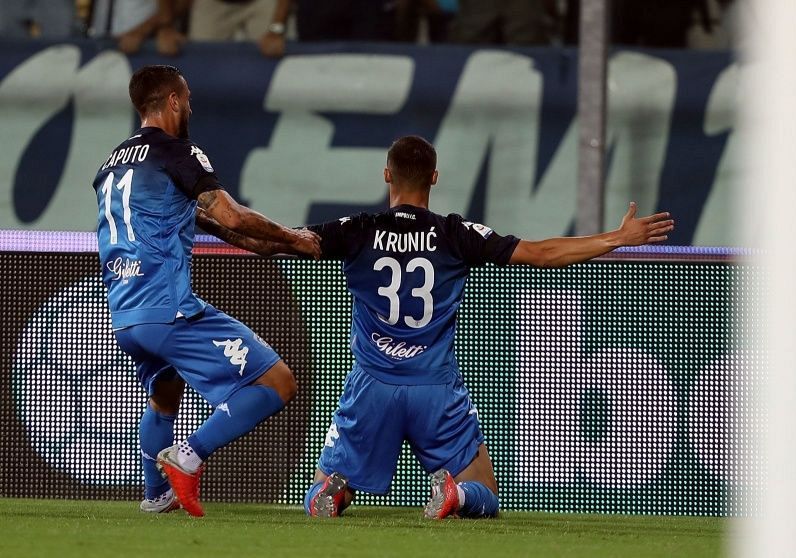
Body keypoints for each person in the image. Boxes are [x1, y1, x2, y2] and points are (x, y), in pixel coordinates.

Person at [294, 135, 673, 519]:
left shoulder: (357, 229)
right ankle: (454, 496)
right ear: (435, 178)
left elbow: (282, 240)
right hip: (435, 390)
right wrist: (619, 238)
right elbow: (542, 253)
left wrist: (231, 223)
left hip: (373, 386)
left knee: (319, 489)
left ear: (387, 175)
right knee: (483, 495)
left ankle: (332, 493)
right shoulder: (457, 235)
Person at [93, 64, 321, 517]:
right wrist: (294, 237)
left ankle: (156, 494)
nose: (191, 106)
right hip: (168, 307)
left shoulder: (110, 166)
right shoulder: (180, 153)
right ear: (173, 101)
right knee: (278, 383)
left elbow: (199, 220)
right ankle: (189, 455)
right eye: (188, 97)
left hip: (125, 313)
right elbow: (230, 214)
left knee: (166, 392)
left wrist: (265, 245)